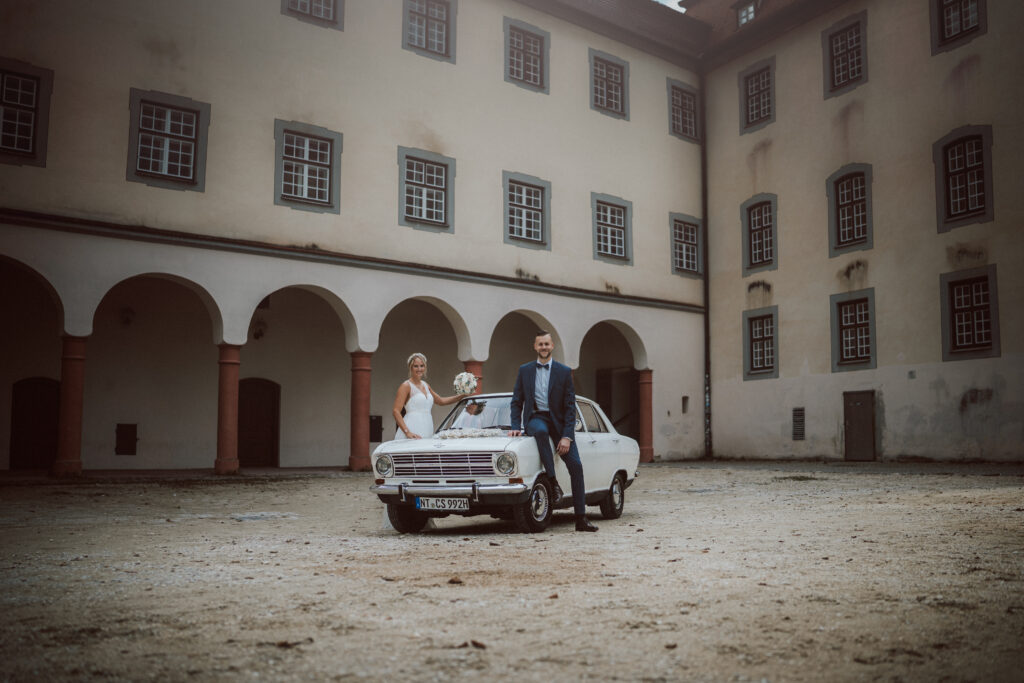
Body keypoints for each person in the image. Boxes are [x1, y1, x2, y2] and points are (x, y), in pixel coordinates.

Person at [509, 330, 598, 532]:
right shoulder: (525, 370)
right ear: (535, 346)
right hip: (536, 418)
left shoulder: (564, 372)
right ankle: (552, 481)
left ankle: (581, 519)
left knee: (576, 466)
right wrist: (515, 427)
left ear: (552, 346)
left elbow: (569, 407)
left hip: (559, 424)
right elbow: (517, 401)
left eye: (547, 344)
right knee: (540, 432)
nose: (544, 347)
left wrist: (567, 436)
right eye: (540, 344)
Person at [392, 353, 459, 440]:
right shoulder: (406, 386)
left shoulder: (426, 385)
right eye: (416, 366)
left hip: (427, 425)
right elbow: (396, 411)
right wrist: (407, 432)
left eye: (422, 366)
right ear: (410, 367)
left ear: (425, 367)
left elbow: (441, 401)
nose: (419, 369)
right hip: (412, 426)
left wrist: (461, 396)